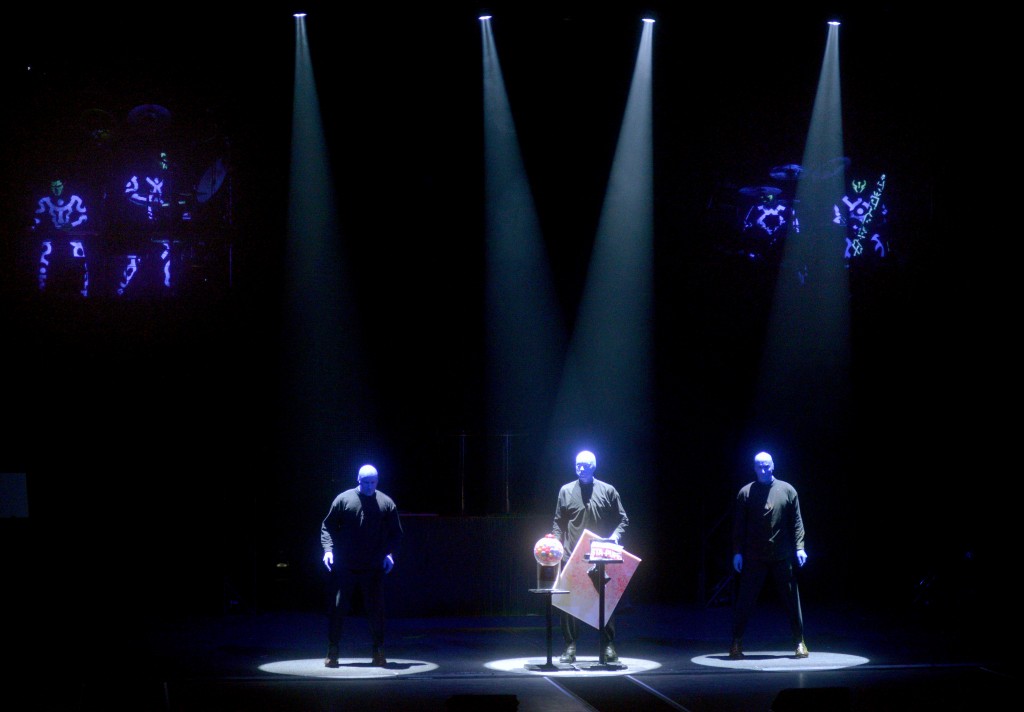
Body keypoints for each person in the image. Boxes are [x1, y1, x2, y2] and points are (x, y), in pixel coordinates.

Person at [320, 464, 403, 667]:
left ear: (377, 481)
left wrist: (389, 554)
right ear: (358, 479)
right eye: (365, 482)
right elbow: (327, 526)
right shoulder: (344, 499)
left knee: (376, 610)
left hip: (372, 566)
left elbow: (396, 533)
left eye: (373, 482)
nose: (369, 486)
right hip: (346, 564)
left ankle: (379, 652)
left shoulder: (386, 503)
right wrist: (328, 550)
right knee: (339, 608)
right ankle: (333, 651)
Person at [552, 450, 629, 663]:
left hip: (600, 557)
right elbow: (558, 522)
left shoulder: (608, 490)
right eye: (578, 464)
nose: (581, 468)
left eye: (585, 465)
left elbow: (623, 520)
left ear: (594, 466)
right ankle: (570, 646)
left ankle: (608, 646)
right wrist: (557, 545)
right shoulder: (565, 491)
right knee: (568, 603)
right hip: (571, 555)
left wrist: (614, 537)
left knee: (605, 602)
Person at [729, 451, 808, 659]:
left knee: (792, 600)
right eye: (759, 467)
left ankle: (799, 641)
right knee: (745, 600)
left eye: (766, 466)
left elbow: (797, 522)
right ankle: (736, 642)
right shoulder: (746, 493)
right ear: (754, 468)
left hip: (782, 554)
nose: (763, 470)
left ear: (773, 465)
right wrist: (737, 552)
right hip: (754, 556)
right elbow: (739, 526)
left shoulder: (787, 490)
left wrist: (800, 547)